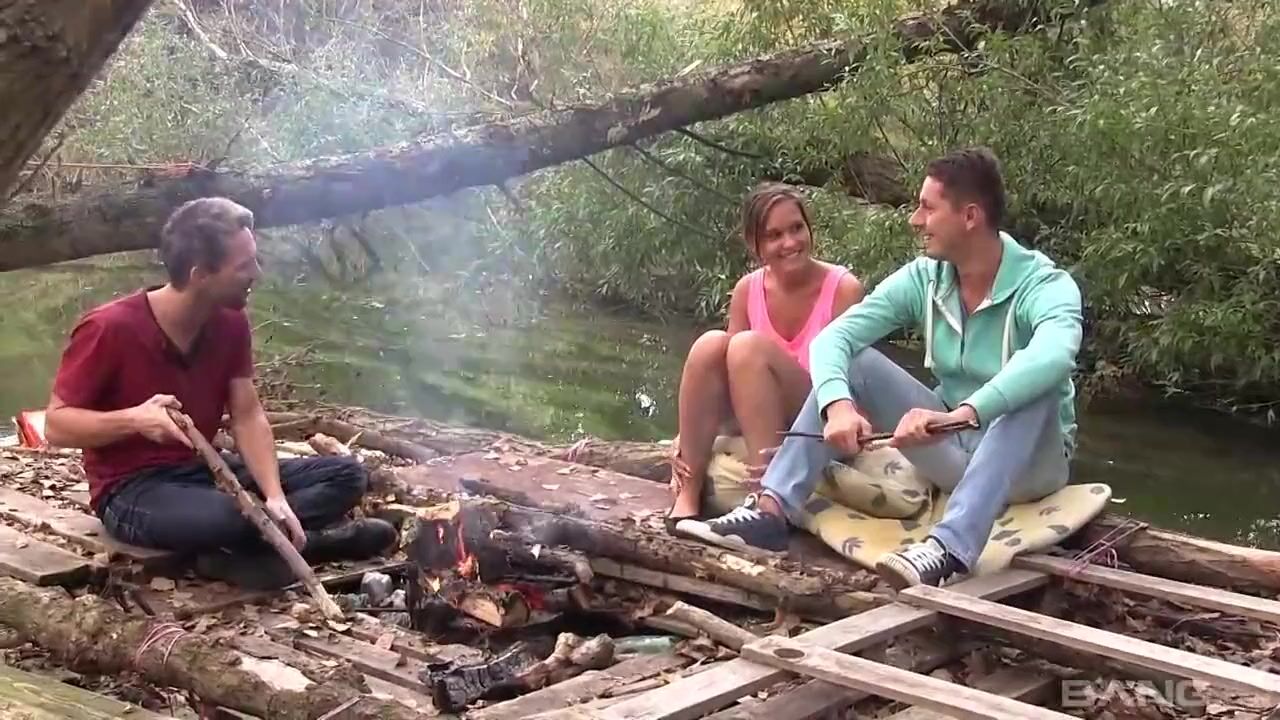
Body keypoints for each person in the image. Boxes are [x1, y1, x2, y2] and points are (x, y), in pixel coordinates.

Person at [681, 147, 1083, 589]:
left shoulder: (1044, 284)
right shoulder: (925, 278)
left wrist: (962, 415)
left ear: (970, 216)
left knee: (1036, 386)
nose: (915, 219)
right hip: (955, 452)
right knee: (857, 361)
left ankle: (950, 549)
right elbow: (835, 338)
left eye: (927, 208)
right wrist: (838, 405)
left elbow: (1053, 356)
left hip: (1030, 468)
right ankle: (771, 511)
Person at [44, 197, 397, 590]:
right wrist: (135, 419)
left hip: (204, 471)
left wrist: (275, 495)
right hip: (132, 491)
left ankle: (256, 545)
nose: (256, 273)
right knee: (235, 515)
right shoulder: (109, 328)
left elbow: (247, 415)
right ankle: (312, 543)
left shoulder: (231, 322)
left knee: (347, 475)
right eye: (244, 266)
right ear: (200, 275)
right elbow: (56, 426)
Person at [666, 182, 864, 529]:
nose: (790, 242)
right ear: (755, 245)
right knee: (711, 344)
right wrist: (688, 433)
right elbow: (723, 371)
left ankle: (767, 495)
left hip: (816, 414)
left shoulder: (844, 289)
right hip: (755, 410)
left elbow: (856, 378)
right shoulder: (748, 289)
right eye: (774, 235)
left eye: (796, 228)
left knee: (747, 346)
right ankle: (689, 487)